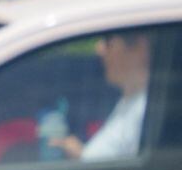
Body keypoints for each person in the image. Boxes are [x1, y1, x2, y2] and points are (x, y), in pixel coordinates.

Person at [50, 31, 151, 160]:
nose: (99, 49)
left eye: (108, 41)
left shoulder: (146, 110)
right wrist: (80, 154)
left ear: (140, 47)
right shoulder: (130, 102)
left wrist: (82, 157)